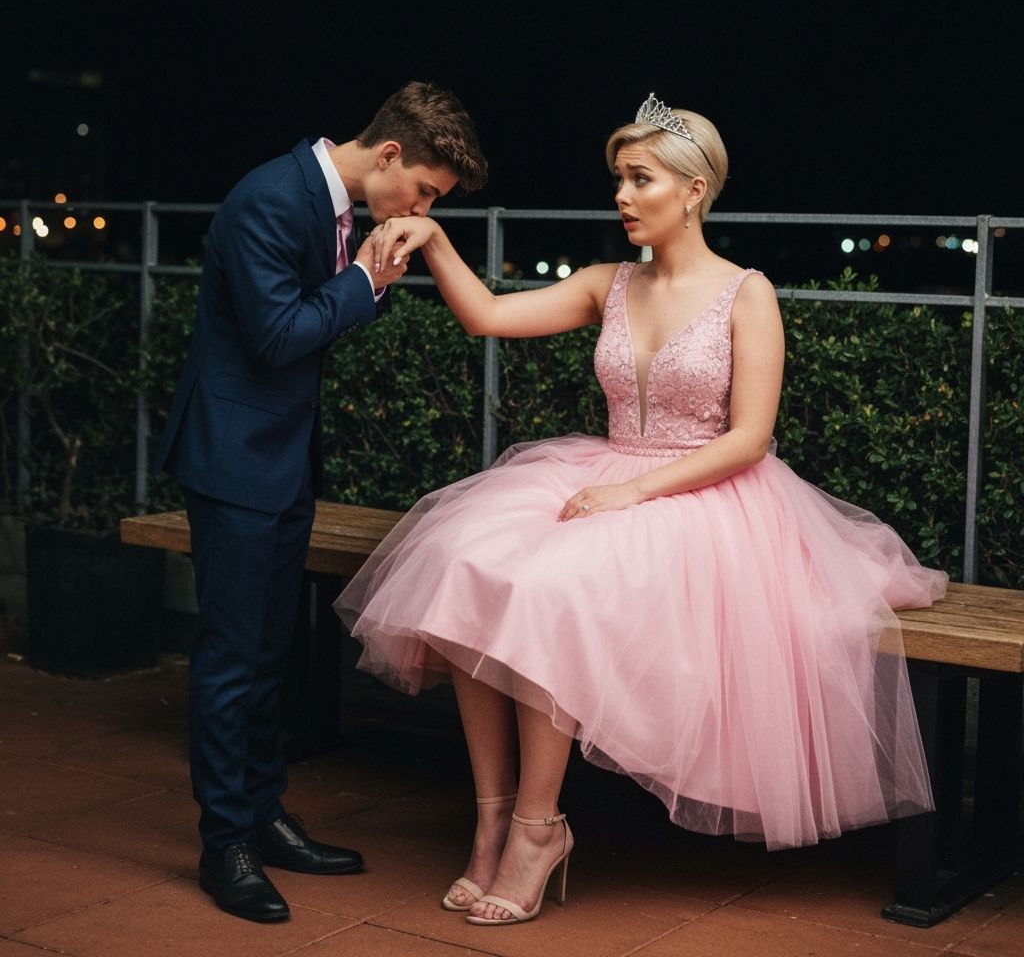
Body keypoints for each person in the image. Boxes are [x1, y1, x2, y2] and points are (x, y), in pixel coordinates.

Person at [335, 93, 947, 927]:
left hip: (705, 496)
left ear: (693, 190)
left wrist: (633, 493)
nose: (621, 196)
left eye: (639, 178)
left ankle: (537, 830)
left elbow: (750, 439)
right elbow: (485, 316)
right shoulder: (606, 284)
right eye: (618, 179)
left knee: (553, 590)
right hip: (603, 468)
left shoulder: (746, 294)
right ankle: (489, 821)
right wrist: (436, 237)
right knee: (464, 562)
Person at [155, 82, 488, 922]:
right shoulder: (271, 197)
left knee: (270, 652)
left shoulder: (332, 201)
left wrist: (363, 280)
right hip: (233, 461)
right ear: (387, 156)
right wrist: (370, 279)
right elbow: (276, 338)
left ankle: (263, 815)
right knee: (232, 659)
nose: (421, 207)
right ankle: (223, 842)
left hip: (280, 459)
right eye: (424, 190)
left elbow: (310, 320)